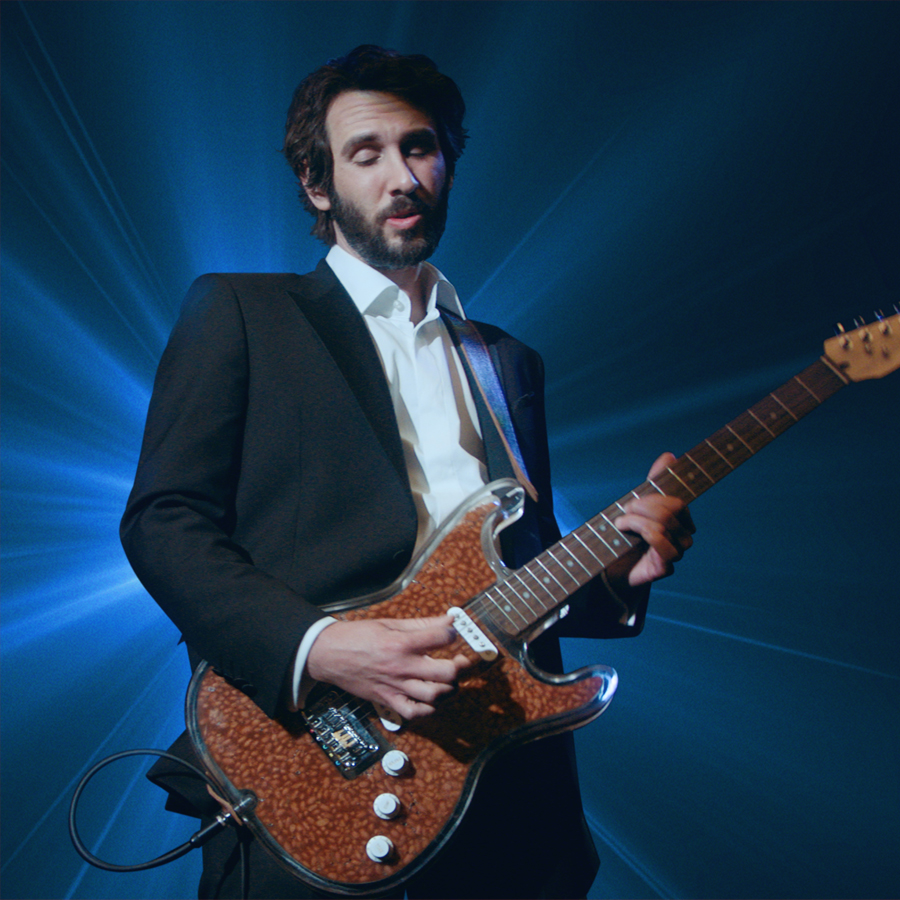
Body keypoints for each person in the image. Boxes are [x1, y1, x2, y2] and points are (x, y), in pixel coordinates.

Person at [121, 45, 694, 900]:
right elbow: (162, 521)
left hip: (506, 797)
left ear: (450, 165)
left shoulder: (508, 362)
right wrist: (320, 646)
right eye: (367, 153)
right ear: (318, 186)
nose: (403, 176)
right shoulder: (243, 313)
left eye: (421, 147)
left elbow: (512, 567)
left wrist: (614, 574)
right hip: (321, 760)